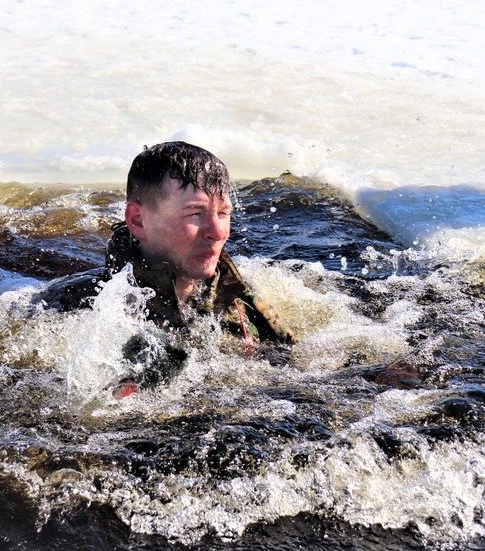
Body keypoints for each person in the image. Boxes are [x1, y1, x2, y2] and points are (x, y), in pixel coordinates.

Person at [33, 142, 294, 390]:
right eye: (194, 213)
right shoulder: (70, 308)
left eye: (223, 213)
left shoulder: (242, 299)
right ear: (137, 220)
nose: (217, 231)